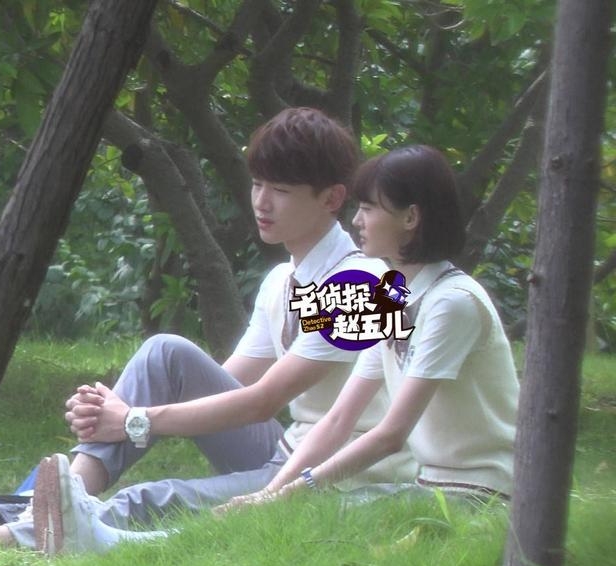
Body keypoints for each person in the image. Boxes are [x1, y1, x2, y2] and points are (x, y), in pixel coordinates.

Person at [0, 107, 415, 553]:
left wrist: (132, 419)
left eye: (280, 190)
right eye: (257, 184)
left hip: (338, 475)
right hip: (287, 448)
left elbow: (262, 401)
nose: (261, 202)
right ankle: (49, 501)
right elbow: (224, 385)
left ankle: (15, 535)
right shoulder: (282, 280)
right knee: (165, 353)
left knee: (148, 498)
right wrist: (108, 414)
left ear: (332, 198)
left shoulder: (363, 285)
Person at [218, 144, 519, 512]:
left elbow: (391, 435)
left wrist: (289, 494)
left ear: (410, 217)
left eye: (369, 208)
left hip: (482, 493)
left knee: (315, 513)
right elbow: (339, 419)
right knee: (297, 510)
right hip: (431, 485)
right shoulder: (390, 297)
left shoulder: (451, 303)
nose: (357, 221)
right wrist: (272, 493)